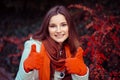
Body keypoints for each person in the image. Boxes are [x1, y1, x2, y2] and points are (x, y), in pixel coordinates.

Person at [15, 5, 89, 80]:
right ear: (47, 28)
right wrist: (27, 70)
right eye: (53, 26)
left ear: (70, 27)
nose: (59, 30)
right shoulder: (34, 47)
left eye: (63, 25)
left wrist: (81, 74)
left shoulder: (74, 47)